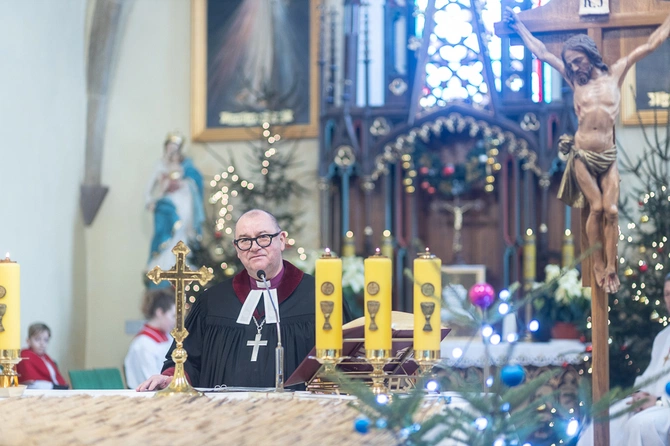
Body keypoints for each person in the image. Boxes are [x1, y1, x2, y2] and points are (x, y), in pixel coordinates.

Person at [504, 8, 670, 294]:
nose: (575, 67)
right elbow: (542, 53)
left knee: (612, 210)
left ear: (590, 55)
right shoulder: (573, 80)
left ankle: (611, 267)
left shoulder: (615, 73)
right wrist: (519, 26)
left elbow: (650, 44)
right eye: (571, 63)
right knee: (596, 207)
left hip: (608, 156)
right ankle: (596, 263)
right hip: (582, 154)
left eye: (578, 61)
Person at [137, 209, 316, 390]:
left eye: (263, 237)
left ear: (282, 240)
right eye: (245, 240)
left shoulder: (316, 298)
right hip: (226, 413)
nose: (254, 247)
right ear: (237, 249)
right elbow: (188, 360)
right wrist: (172, 379)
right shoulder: (213, 303)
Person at [577, 273, 670, 446]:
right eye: (667, 294)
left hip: (666, 408)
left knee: (640, 425)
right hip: (653, 403)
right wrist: (639, 395)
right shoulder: (663, 337)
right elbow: (649, 377)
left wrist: (659, 401)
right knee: (607, 416)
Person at [145, 131, 205, 279]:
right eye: (170, 147)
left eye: (175, 147)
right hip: (167, 203)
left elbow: (195, 182)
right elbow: (149, 188)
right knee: (167, 230)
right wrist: (150, 201)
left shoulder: (186, 165)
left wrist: (183, 184)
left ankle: (184, 260)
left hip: (184, 201)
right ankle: (164, 262)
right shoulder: (160, 165)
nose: (172, 150)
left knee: (183, 229)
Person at [124, 288, 176, 389]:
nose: (175, 322)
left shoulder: (168, 338)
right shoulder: (143, 344)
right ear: (159, 312)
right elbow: (150, 381)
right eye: (173, 316)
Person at [16, 323, 69, 389]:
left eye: (46, 340)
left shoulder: (46, 357)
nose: (42, 343)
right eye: (37, 339)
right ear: (28, 341)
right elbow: (29, 382)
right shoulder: (25, 356)